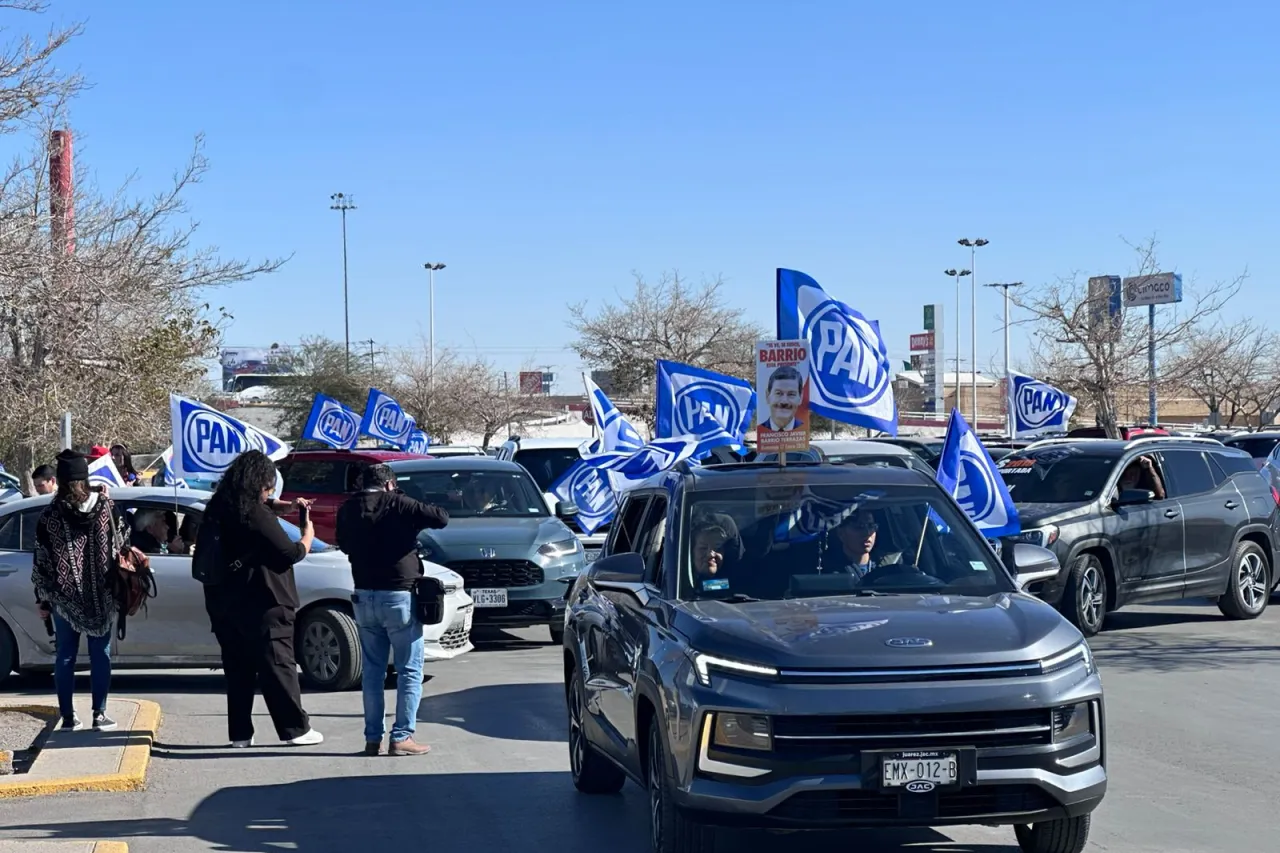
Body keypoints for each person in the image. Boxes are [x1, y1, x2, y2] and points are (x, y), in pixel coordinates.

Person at [201, 450, 322, 748]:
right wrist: (307, 534)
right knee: (278, 666)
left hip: (225, 602)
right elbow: (290, 553)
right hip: (264, 600)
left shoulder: (220, 506)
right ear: (259, 483)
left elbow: (262, 510)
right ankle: (296, 729)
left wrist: (285, 506)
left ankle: (240, 734)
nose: (270, 492)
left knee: (238, 670)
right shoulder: (255, 514)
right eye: (268, 487)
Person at [335, 464, 449, 757]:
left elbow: (344, 544)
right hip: (398, 595)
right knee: (409, 670)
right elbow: (440, 518)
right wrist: (400, 498)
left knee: (373, 671)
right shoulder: (398, 502)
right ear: (389, 485)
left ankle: (373, 739)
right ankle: (402, 737)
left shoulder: (349, 507)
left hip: (363, 595)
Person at [31, 450, 126, 731]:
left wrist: (42, 600)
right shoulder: (107, 506)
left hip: (64, 598)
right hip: (103, 595)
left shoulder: (49, 515)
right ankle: (100, 714)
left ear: (59, 481)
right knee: (101, 653)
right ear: (85, 478)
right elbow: (121, 543)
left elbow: (41, 561)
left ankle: (68, 718)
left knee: (65, 656)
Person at [763, 366, 804, 432]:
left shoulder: (803, 429)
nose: (784, 401)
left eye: (791, 394)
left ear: (801, 397)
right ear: (767, 395)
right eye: (778, 393)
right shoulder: (761, 429)